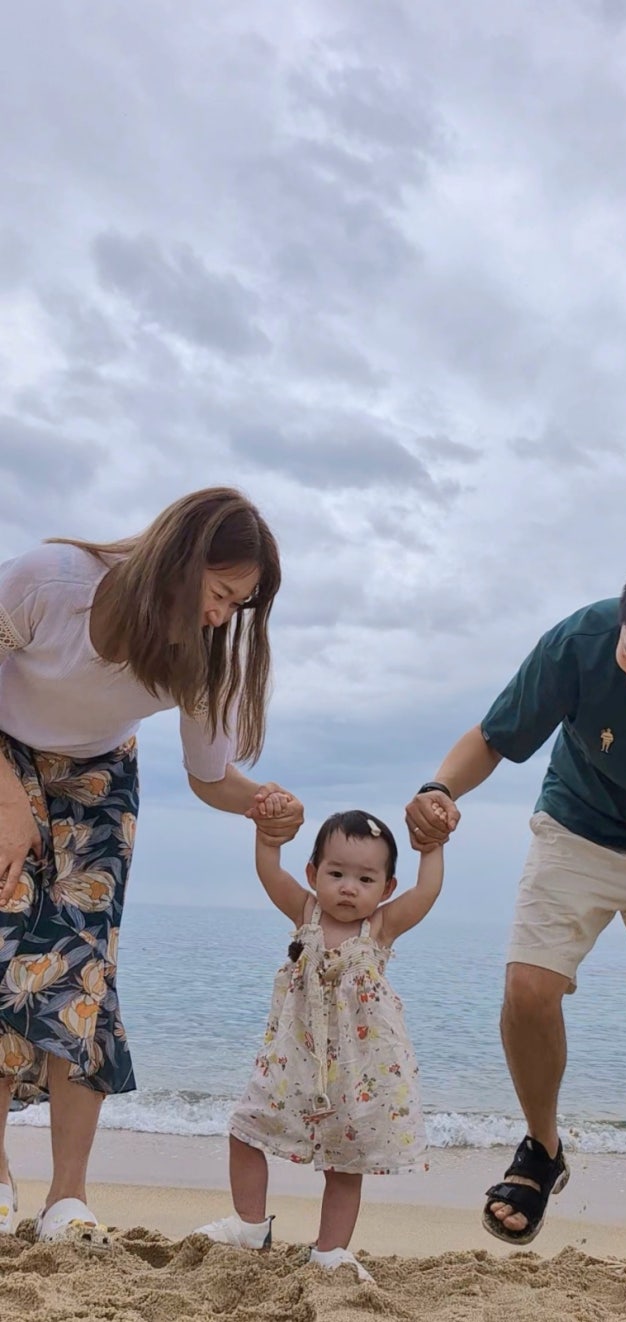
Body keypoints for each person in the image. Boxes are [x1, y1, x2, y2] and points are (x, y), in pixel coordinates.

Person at [405, 539, 626, 1271]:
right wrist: (438, 789)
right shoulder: (583, 637)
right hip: (579, 826)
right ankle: (542, 1146)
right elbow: (493, 736)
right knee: (529, 989)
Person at [0, 487, 304, 1246]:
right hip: (2, 755)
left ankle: (66, 1201)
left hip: (99, 777)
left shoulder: (196, 657)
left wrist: (264, 805)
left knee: (82, 967)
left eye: (237, 605)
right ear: (179, 557)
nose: (221, 616)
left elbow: (211, 777)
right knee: (5, 946)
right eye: (220, 593)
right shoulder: (50, 581)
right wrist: (8, 801)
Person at [196, 803, 452, 1283]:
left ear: (387, 888)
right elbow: (270, 872)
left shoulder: (379, 928)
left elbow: (428, 891)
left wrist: (432, 846)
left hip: (357, 1069)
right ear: (313, 874)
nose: (349, 887)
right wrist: (267, 834)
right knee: (247, 1127)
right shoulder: (306, 913)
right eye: (336, 874)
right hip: (294, 1057)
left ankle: (330, 1251)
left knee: (345, 1160)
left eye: (365, 879)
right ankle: (249, 1224)